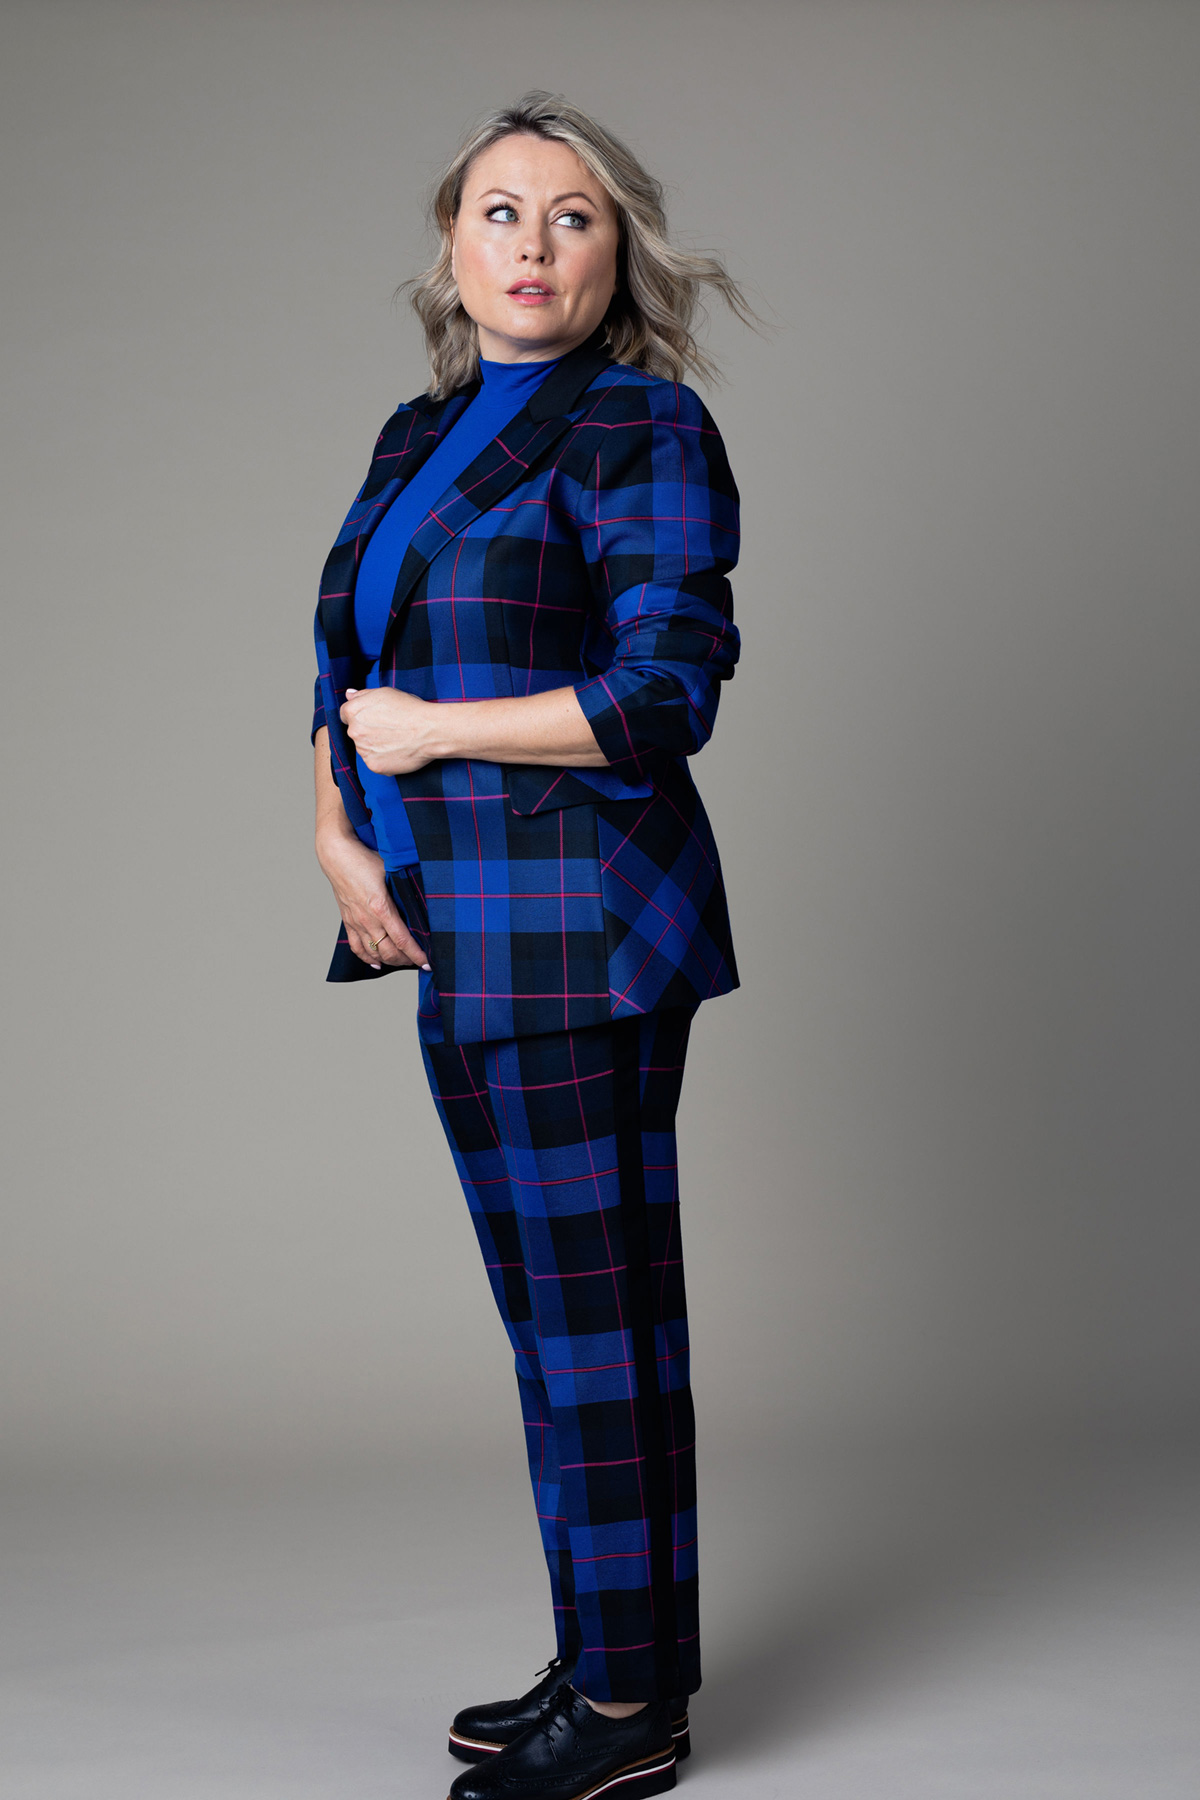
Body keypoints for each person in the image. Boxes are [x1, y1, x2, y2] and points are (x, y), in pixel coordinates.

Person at [311, 91, 750, 1800]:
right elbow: (345, 657)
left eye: (575, 217)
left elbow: (664, 694)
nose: (535, 246)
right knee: (547, 1326)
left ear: (617, 252)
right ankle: (605, 1656)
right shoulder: (415, 434)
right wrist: (337, 829)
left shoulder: (642, 425)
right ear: (451, 243)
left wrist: (435, 736)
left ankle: (632, 1713)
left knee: (600, 1325)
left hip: (584, 925)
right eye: (502, 212)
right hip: (455, 924)